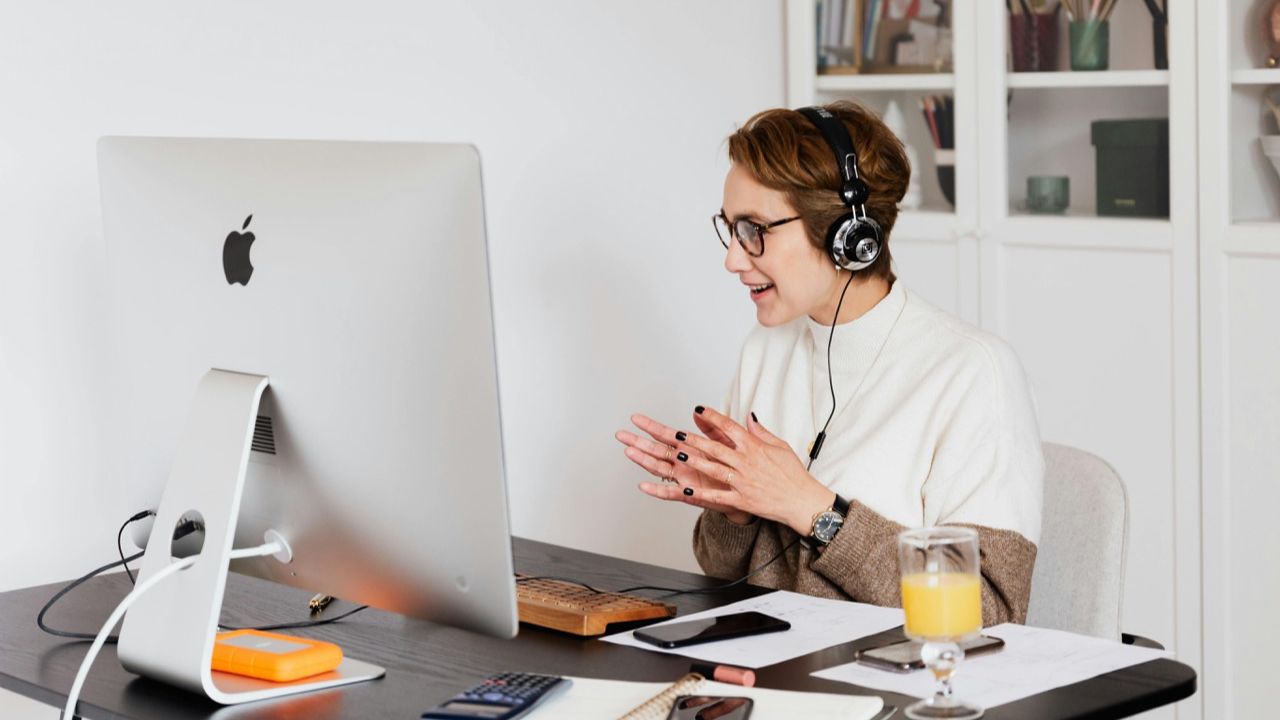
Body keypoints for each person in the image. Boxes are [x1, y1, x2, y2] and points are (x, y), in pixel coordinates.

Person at [615, 101, 1044, 625]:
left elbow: (991, 611)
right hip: (771, 677)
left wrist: (813, 508)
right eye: (729, 229)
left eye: (755, 231)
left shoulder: (972, 372)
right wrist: (735, 513)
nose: (732, 257)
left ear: (847, 234)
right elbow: (724, 572)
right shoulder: (764, 350)